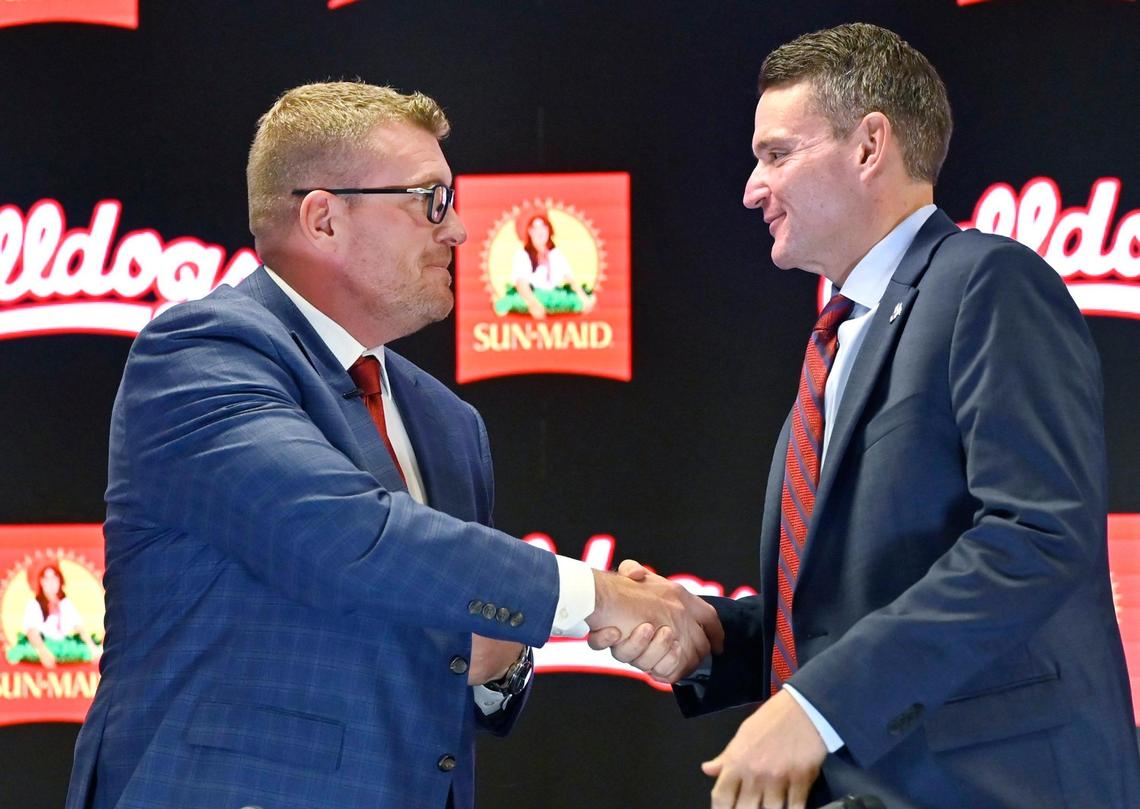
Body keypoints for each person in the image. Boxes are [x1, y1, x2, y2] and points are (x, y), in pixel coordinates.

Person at [66, 81, 720, 809]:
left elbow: (454, 651)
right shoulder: (202, 354)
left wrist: (500, 659)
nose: (459, 229)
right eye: (427, 199)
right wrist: (596, 596)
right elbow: (349, 534)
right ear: (323, 218)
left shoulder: (447, 422)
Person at [590, 23, 1140, 809]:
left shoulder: (989, 282)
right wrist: (707, 631)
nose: (752, 186)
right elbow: (841, 618)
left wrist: (817, 708)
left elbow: (1036, 534)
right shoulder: (840, 335)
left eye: (776, 153)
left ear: (869, 145)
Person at [504, 212, 595, 319]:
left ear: (549, 230)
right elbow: (521, 284)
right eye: (535, 228)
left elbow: (570, 279)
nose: (540, 232)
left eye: (543, 227)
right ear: (530, 232)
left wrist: (583, 297)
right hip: (532, 297)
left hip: (554, 296)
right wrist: (533, 303)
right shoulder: (522, 255)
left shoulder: (556, 254)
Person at [9, 561, 101, 668]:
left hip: (64, 646)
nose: (51, 582)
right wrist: (42, 651)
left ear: (59, 581)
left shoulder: (66, 603)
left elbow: (79, 627)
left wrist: (92, 646)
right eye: (47, 579)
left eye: (54, 578)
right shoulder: (34, 604)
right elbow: (32, 632)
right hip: (42, 645)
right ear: (41, 582)